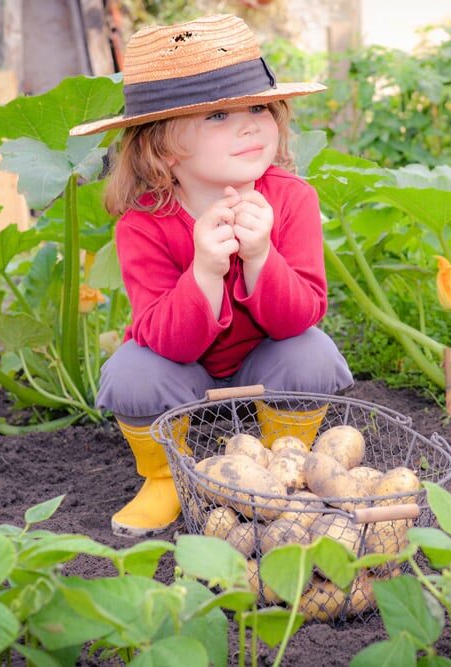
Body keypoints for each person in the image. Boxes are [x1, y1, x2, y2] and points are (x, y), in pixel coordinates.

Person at [69, 14, 353, 537]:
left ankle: (280, 467)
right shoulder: (143, 223)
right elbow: (165, 341)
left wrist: (263, 257)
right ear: (161, 146)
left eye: (259, 108)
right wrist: (204, 271)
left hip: (265, 359)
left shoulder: (292, 199)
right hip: (183, 371)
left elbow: (301, 317)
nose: (249, 124)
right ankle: (163, 478)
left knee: (311, 353)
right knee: (133, 373)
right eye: (219, 114)